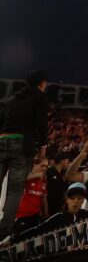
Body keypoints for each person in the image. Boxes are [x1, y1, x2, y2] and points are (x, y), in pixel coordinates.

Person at [0, 70, 48, 241]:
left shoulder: (12, 98)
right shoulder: (39, 97)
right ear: (42, 83)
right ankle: (4, 232)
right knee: (15, 189)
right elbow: (41, 124)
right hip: (21, 144)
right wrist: (43, 149)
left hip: (2, 140)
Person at [13, 158, 49, 234]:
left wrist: (46, 214)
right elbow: (18, 179)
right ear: (34, 165)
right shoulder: (27, 176)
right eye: (42, 166)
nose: (44, 168)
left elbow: (43, 198)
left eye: (46, 167)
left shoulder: (43, 180)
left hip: (35, 216)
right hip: (22, 216)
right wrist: (37, 175)